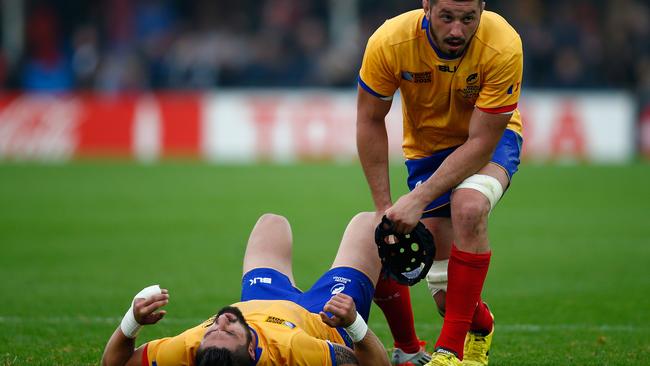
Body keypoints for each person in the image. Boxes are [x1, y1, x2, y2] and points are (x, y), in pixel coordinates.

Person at [356, 0, 523, 365]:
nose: (456, 31)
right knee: (448, 299)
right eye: (447, 17)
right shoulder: (389, 42)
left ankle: (449, 353)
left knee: (470, 205)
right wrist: (385, 207)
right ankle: (481, 325)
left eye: (468, 19)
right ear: (426, 7)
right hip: (427, 153)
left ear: (482, 9)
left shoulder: (504, 44)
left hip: (490, 141)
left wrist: (419, 199)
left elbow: (481, 143)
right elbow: (369, 119)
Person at [101, 212, 391, 366]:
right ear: (253, 348)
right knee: (370, 224)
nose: (222, 321)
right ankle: (407, 346)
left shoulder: (191, 349)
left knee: (271, 222)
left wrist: (133, 321)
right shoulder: (294, 351)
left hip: (260, 301)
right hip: (325, 314)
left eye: (212, 331)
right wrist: (353, 324)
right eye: (229, 331)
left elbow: (115, 363)